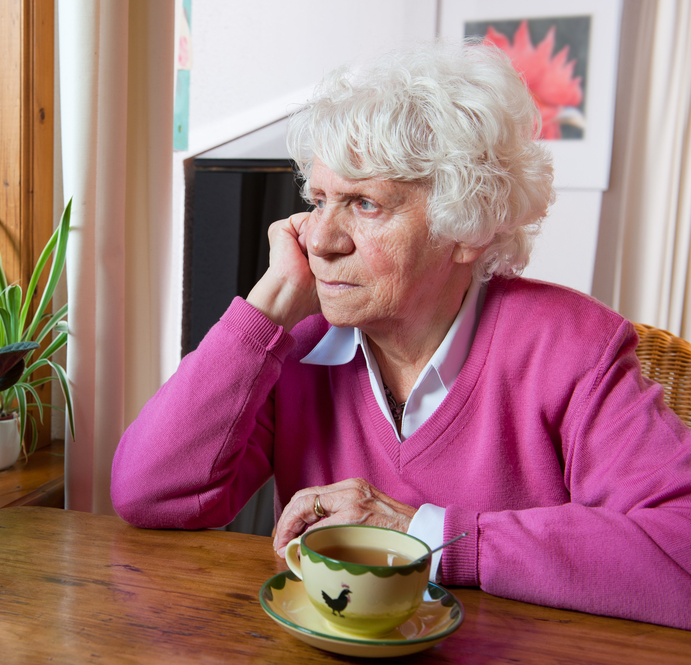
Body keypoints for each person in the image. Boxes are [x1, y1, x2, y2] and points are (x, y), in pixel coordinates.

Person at [110, 40, 691, 630]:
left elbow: (682, 548)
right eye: (317, 200)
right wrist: (266, 310)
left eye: (364, 203)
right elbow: (150, 494)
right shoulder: (300, 346)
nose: (320, 239)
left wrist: (426, 534)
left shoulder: (572, 347)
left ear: (471, 225)